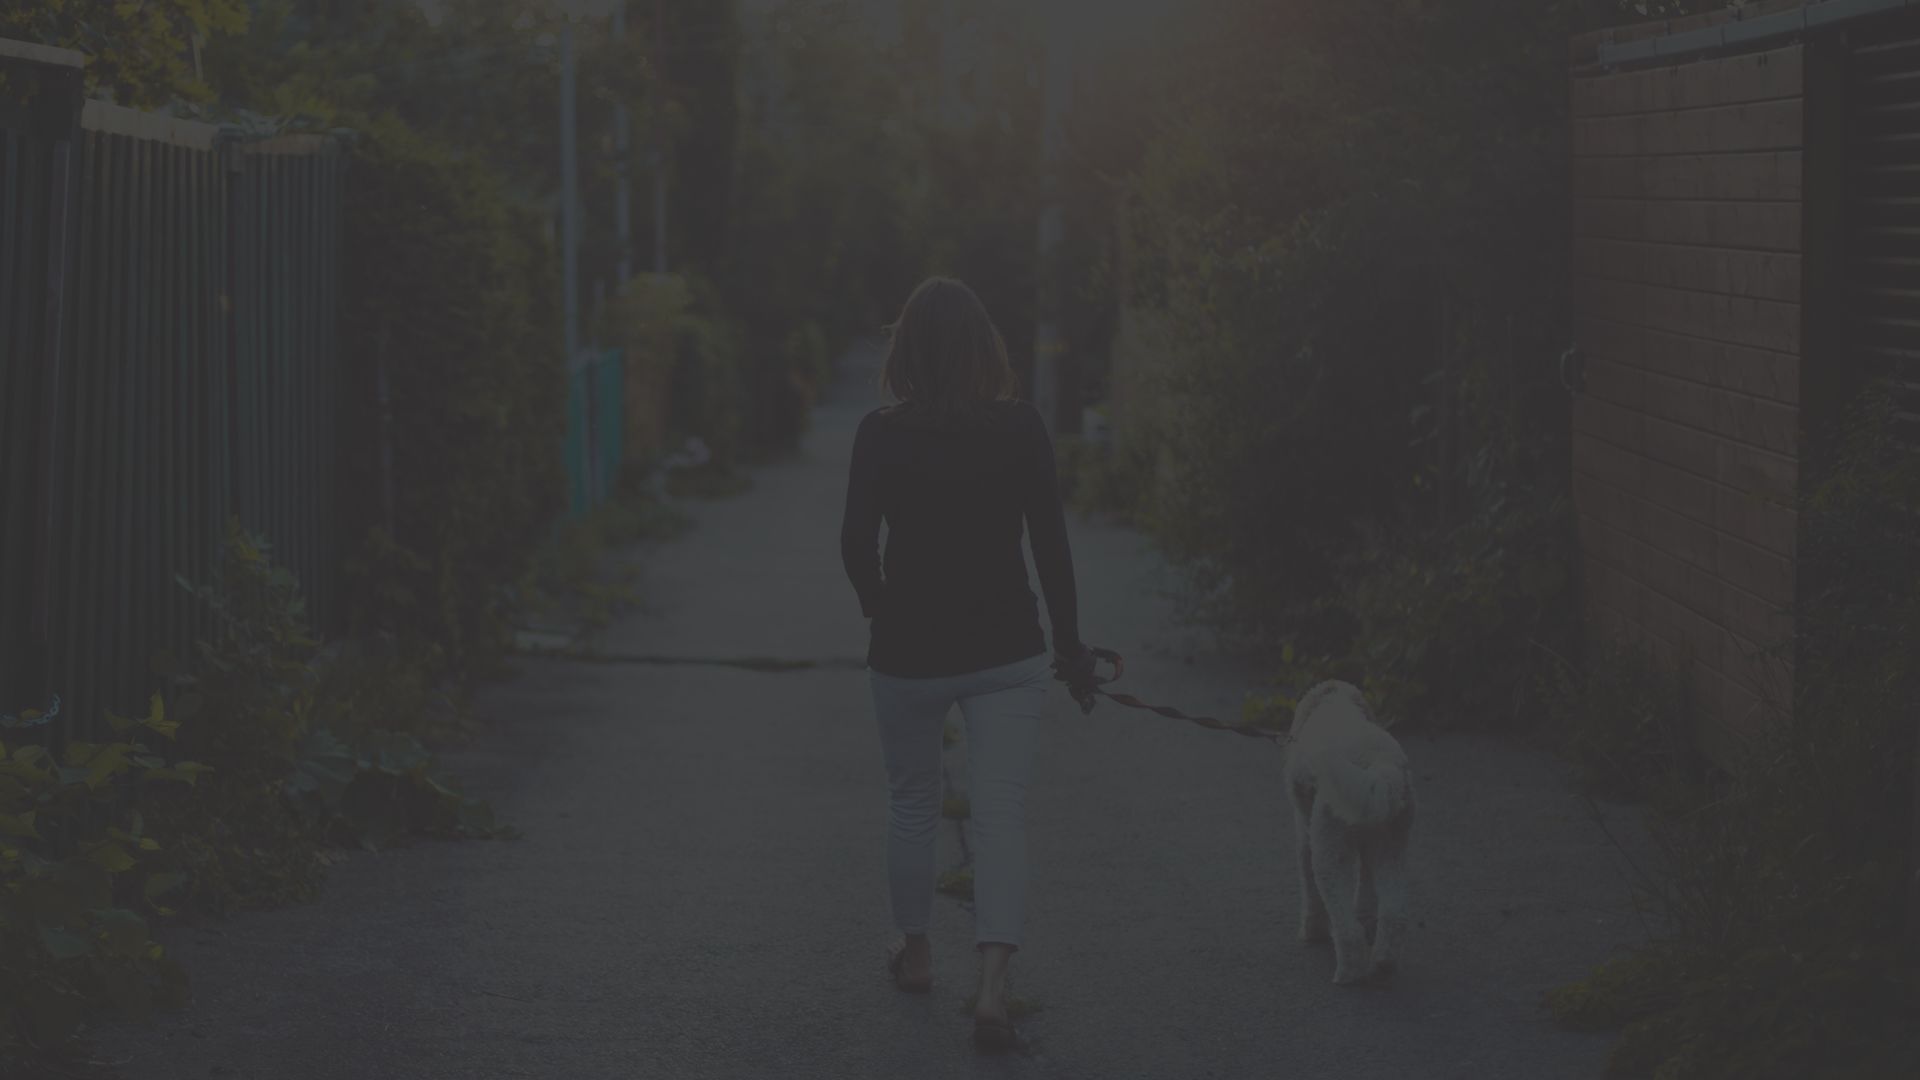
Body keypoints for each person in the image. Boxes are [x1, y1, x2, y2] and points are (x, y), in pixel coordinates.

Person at [840, 276, 1098, 1054]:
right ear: (986, 349)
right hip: (1007, 652)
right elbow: (1051, 547)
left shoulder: (880, 432)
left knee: (913, 804)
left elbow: (855, 545)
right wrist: (1072, 651)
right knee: (1001, 812)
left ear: (906, 351)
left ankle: (916, 953)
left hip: (908, 655)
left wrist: (883, 608)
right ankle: (991, 986)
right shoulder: (1020, 427)